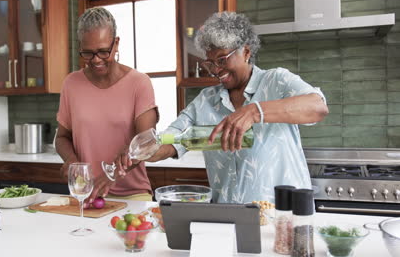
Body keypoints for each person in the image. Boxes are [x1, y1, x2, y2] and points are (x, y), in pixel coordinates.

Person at [116, 11, 328, 204]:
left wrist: (255, 111)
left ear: (245, 52)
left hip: (284, 218)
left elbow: (317, 106)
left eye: (222, 59)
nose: (216, 70)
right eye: (210, 63)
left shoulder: (277, 81)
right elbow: (173, 139)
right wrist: (143, 151)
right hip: (228, 220)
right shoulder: (205, 100)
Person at [55, 7, 158, 203]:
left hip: (133, 195)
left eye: (103, 51)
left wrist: (111, 174)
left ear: (116, 43)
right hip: (85, 194)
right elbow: (61, 137)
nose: (96, 60)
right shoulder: (71, 84)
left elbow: (147, 144)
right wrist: (72, 161)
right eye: (87, 53)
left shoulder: (139, 83)